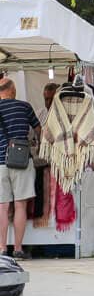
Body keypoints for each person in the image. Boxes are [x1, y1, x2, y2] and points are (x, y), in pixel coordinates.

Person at [0, 78, 41, 259]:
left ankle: (1, 249)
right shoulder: (25, 107)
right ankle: (17, 248)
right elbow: (39, 130)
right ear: (12, 90)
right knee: (20, 205)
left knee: (1, 207)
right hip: (21, 161)